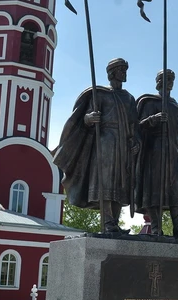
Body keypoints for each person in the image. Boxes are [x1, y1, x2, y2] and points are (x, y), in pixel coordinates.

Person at [53, 58, 138, 235]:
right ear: (112, 73)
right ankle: (108, 223)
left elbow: (134, 125)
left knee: (121, 183)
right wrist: (89, 118)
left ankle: (114, 222)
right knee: (106, 182)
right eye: (121, 69)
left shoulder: (129, 98)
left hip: (123, 142)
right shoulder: (99, 94)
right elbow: (82, 118)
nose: (124, 73)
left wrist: (135, 141)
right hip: (105, 141)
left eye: (125, 69)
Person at [134, 69, 178, 238]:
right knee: (155, 190)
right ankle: (157, 228)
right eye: (166, 79)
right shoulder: (148, 102)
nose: (169, 82)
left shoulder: (176, 106)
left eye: (172, 79)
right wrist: (153, 119)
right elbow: (136, 126)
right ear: (158, 82)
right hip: (155, 151)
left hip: (173, 153)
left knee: (177, 190)